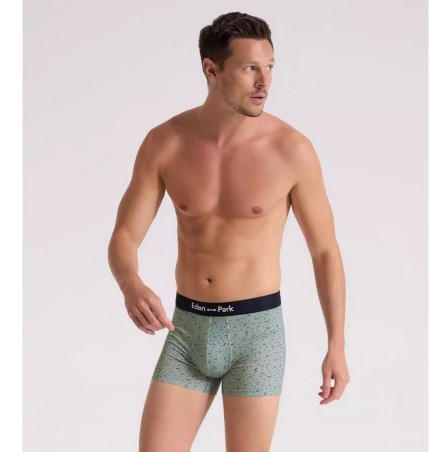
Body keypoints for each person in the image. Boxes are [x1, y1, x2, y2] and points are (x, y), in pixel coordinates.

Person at [108, 11, 350, 452]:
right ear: (212, 69)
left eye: (270, 67)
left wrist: (336, 345)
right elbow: (124, 235)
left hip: (256, 335)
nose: (264, 82)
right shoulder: (165, 142)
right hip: (186, 331)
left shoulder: (291, 150)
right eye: (250, 68)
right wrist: (130, 283)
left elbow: (325, 252)